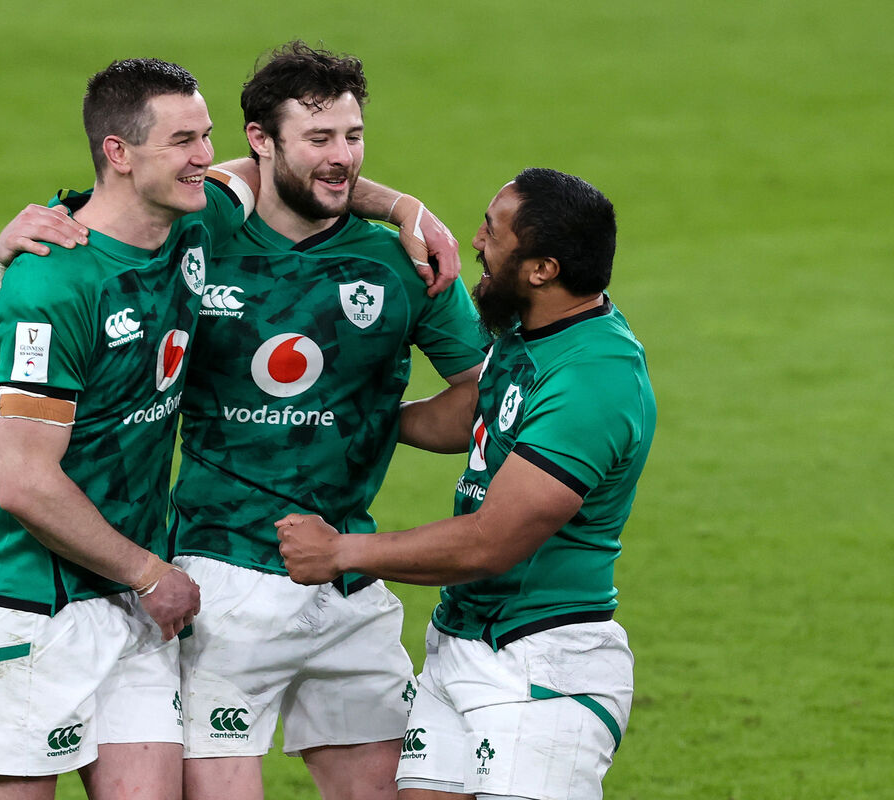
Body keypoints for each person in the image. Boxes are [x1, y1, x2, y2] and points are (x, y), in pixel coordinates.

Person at [0, 41, 489, 800]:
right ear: (261, 142)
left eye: (353, 137)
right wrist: (20, 244)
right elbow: (114, 228)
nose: (342, 158)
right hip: (219, 577)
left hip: (348, 574)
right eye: (318, 139)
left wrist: (381, 416)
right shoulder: (199, 232)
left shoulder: (403, 263)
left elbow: (482, 398)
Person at [276, 168, 656, 800]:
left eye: (493, 232)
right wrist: (349, 419)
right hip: (464, 640)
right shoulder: (533, 336)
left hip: (541, 663)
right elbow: (473, 414)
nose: (477, 241)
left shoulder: (595, 377)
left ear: (542, 269)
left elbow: (490, 542)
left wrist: (341, 552)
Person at [0, 58, 252, 800]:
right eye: (183, 141)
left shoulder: (197, 215)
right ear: (118, 152)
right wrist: (151, 572)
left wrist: (405, 210)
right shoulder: (50, 286)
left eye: (206, 137)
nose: (204, 158)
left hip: (128, 599)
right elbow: (25, 483)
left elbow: (278, 170)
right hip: (30, 608)